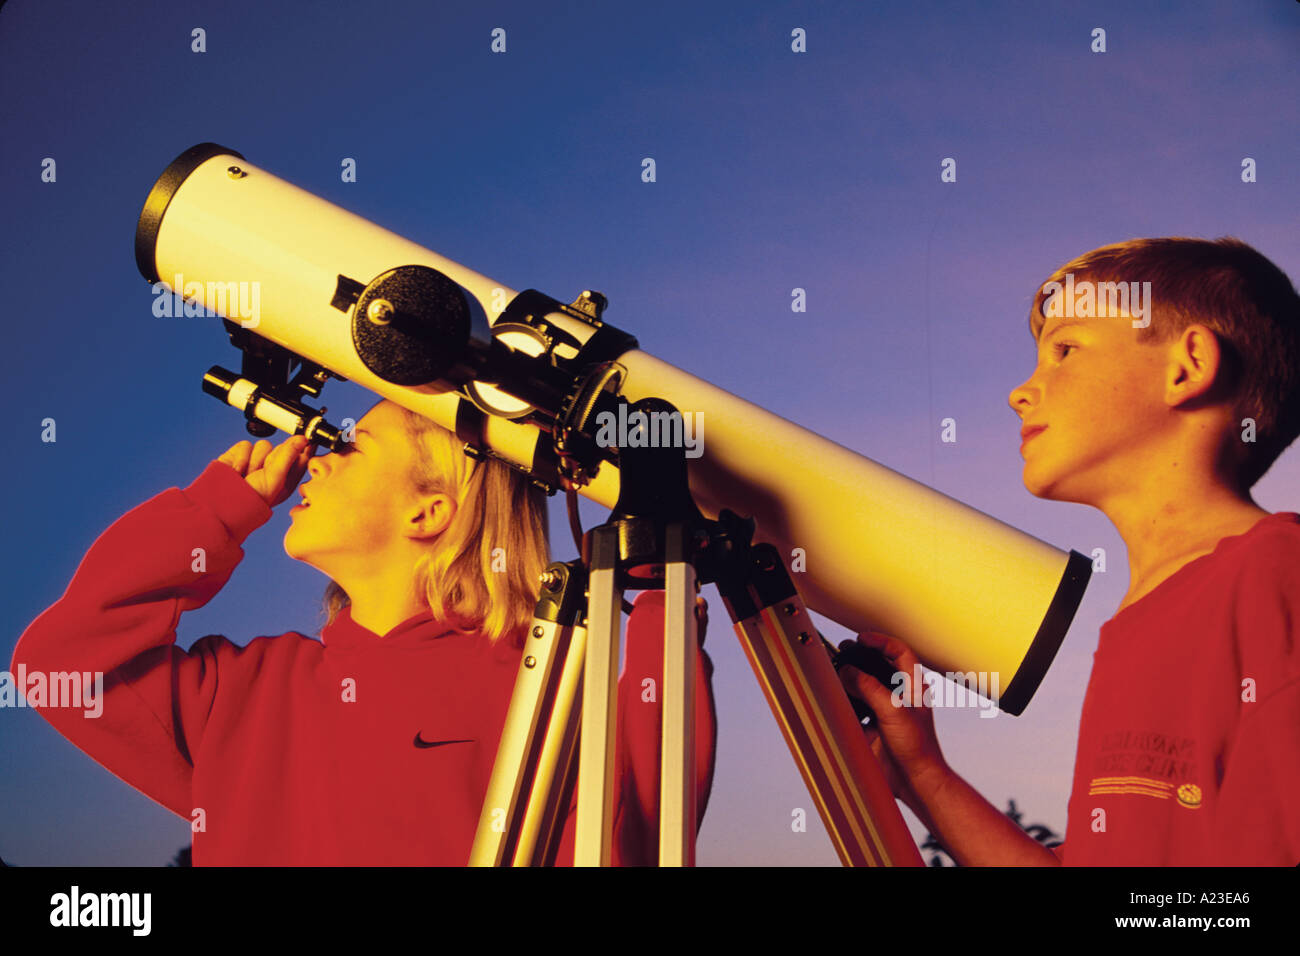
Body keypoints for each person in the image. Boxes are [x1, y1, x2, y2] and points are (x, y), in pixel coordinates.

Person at [11, 398, 716, 865]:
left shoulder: (545, 689)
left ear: (428, 512)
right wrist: (217, 509)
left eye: (349, 446)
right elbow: (59, 661)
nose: (315, 457)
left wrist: (660, 586)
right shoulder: (248, 693)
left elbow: (644, 824)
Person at [839, 236, 1300, 865]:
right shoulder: (1133, 625)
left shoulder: (1275, 577)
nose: (1019, 393)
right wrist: (921, 774)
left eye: (1064, 349)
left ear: (1186, 367)